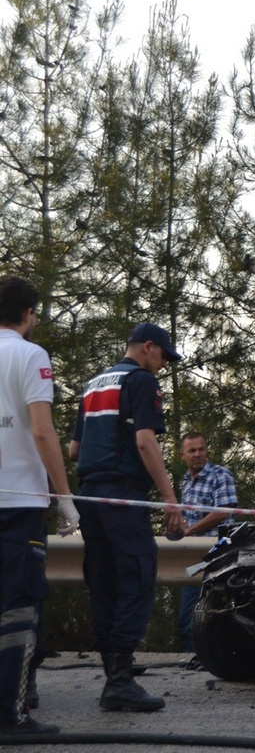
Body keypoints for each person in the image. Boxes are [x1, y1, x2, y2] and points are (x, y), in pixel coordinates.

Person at [69, 322, 182, 712]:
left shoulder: (94, 383)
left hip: (89, 493)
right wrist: (169, 498)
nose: (163, 364)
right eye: (163, 356)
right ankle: (120, 681)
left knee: (104, 582)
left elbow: (73, 449)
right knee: (136, 574)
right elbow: (145, 441)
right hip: (122, 494)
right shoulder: (142, 381)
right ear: (147, 347)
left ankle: (115, 674)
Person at [0, 275, 79, 734]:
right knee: (18, 607)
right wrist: (65, 499)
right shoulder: (31, 355)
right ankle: (8, 716)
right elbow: (44, 432)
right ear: (29, 315)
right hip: (19, 502)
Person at [176, 431, 237, 661]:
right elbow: (188, 519)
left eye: (201, 449)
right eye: (192, 450)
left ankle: (213, 661)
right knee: (188, 615)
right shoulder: (185, 481)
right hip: (193, 556)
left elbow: (222, 512)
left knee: (216, 612)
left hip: (218, 554)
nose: (198, 454)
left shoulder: (220, 475)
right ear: (183, 455)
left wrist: (189, 530)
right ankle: (197, 658)